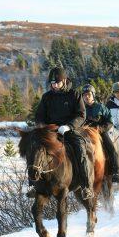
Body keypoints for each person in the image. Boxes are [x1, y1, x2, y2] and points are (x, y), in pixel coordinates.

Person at [35, 67, 93, 200]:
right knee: (34, 148)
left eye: (57, 83)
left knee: (80, 149)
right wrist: (43, 127)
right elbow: (39, 116)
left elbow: (81, 114)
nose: (54, 85)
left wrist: (69, 126)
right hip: (51, 133)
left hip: (70, 131)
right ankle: (35, 185)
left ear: (65, 81)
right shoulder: (46, 97)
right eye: (52, 83)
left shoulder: (74, 95)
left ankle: (86, 186)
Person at [81, 84, 119, 183]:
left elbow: (110, 121)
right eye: (84, 95)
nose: (86, 97)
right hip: (84, 134)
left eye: (89, 94)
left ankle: (115, 172)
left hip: (99, 132)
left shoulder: (100, 107)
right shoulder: (80, 108)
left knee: (111, 148)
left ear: (93, 95)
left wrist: (100, 128)